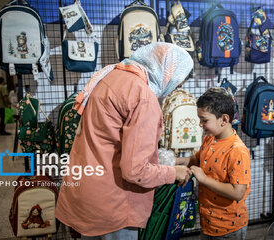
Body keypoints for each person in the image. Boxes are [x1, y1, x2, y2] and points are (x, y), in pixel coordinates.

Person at [55, 42, 194, 239]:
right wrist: (173, 173)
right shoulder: (143, 98)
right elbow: (135, 171)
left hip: (84, 191)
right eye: (177, 82)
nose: (173, 88)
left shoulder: (109, 76)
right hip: (113, 205)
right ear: (165, 73)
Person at [177, 87, 251, 240]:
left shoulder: (237, 151)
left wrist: (203, 179)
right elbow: (197, 159)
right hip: (208, 223)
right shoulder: (210, 138)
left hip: (228, 228)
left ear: (224, 119)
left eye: (204, 120)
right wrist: (174, 161)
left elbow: (238, 192)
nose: (200, 125)